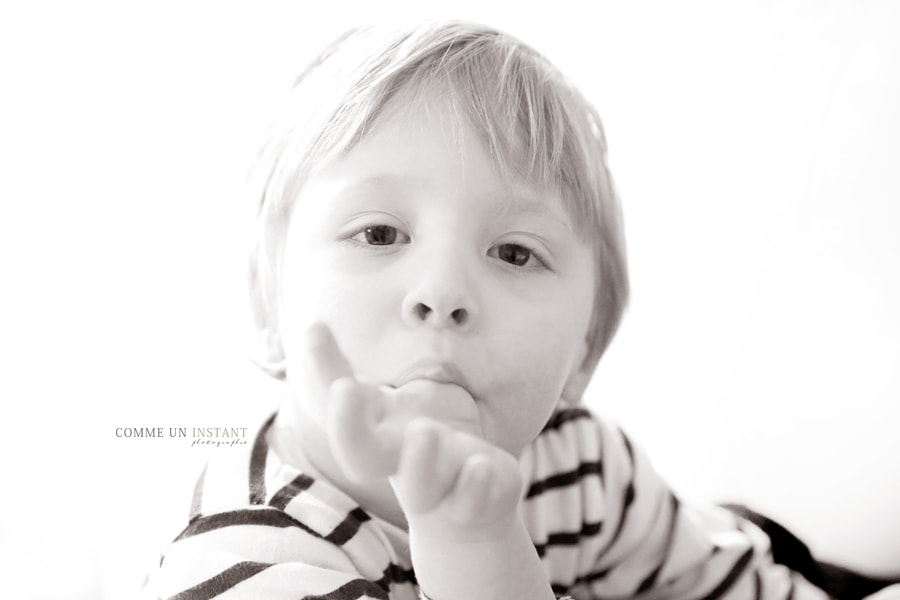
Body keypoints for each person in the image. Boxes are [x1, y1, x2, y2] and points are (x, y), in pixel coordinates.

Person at [150, 21, 900, 600]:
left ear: (583, 352)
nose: (441, 293)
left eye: (514, 253)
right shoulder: (249, 560)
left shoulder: (582, 464)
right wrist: (474, 541)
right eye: (379, 233)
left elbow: (744, 585)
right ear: (265, 305)